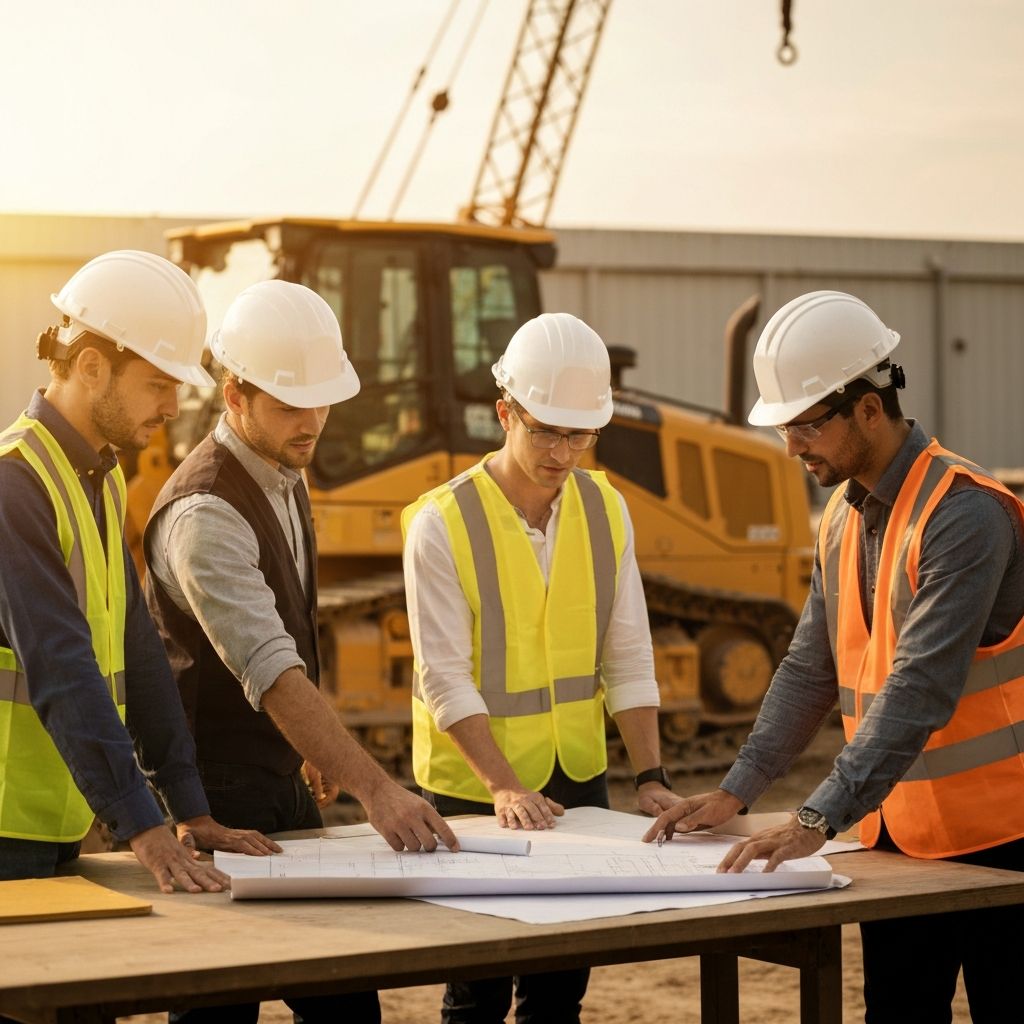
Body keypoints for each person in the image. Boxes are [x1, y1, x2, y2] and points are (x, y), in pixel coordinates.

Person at [644, 290, 1024, 1023]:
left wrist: (815, 819)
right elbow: (809, 668)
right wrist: (736, 791)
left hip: (1005, 838)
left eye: (806, 425)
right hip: (900, 836)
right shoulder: (841, 519)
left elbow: (921, 686)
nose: (791, 446)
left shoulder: (965, 513)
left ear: (869, 410)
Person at [144, 279, 459, 1024]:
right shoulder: (207, 513)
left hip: (276, 780)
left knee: (346, 1003)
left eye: (323, 400)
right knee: (221, 1008)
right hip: (212, 797)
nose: (313, 420)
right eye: (291, 402)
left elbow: (292, 626)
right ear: (234, 395)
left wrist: (314, 749)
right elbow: (269, 666)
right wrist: (375, 788)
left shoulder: (284, 468)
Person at [403, 312, 680, 1024]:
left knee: (560, 987)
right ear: (505, 412)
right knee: (477, 989)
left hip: (577, 779)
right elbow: (443, 677)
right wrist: (502, 786)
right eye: (546, 431)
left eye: (580, 434)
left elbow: (626, 651)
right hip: (474, 790)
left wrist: (649, 775)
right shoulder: (443, 522)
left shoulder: (605, 508)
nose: (563, 452)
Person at [0, 250, 276, 896]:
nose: (175, 407)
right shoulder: (15, 484)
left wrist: (185, 804)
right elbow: (61, 665)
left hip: (52, 826)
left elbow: (136, 643)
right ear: (92, 368)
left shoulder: (100, 474)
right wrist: (140, 825)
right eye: (158, 383)